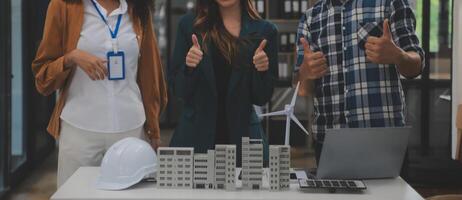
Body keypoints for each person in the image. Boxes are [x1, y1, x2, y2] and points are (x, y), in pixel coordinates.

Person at [32, 0, 167, 187]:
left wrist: (154, 130)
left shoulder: (139, 9)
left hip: (131, 130)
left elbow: (150, 77)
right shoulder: (64, 6)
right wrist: (71, 58)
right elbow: (42, 77)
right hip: (79, 132)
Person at [295, 0, 425, 163]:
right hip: (330, 144)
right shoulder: (310, 18)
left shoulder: (390, 3)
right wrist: (305, 72)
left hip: (384, 140)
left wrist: (398, 56)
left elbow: (416, 65)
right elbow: (302, 90)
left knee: (390, 190)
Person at [168, 0, 278, 164]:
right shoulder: (189, 26)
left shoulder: (265, 30)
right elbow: (179, 90)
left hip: (243, 144)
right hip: (195, 142)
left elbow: (261, 97)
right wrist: (189, 67)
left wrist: (261, 71)